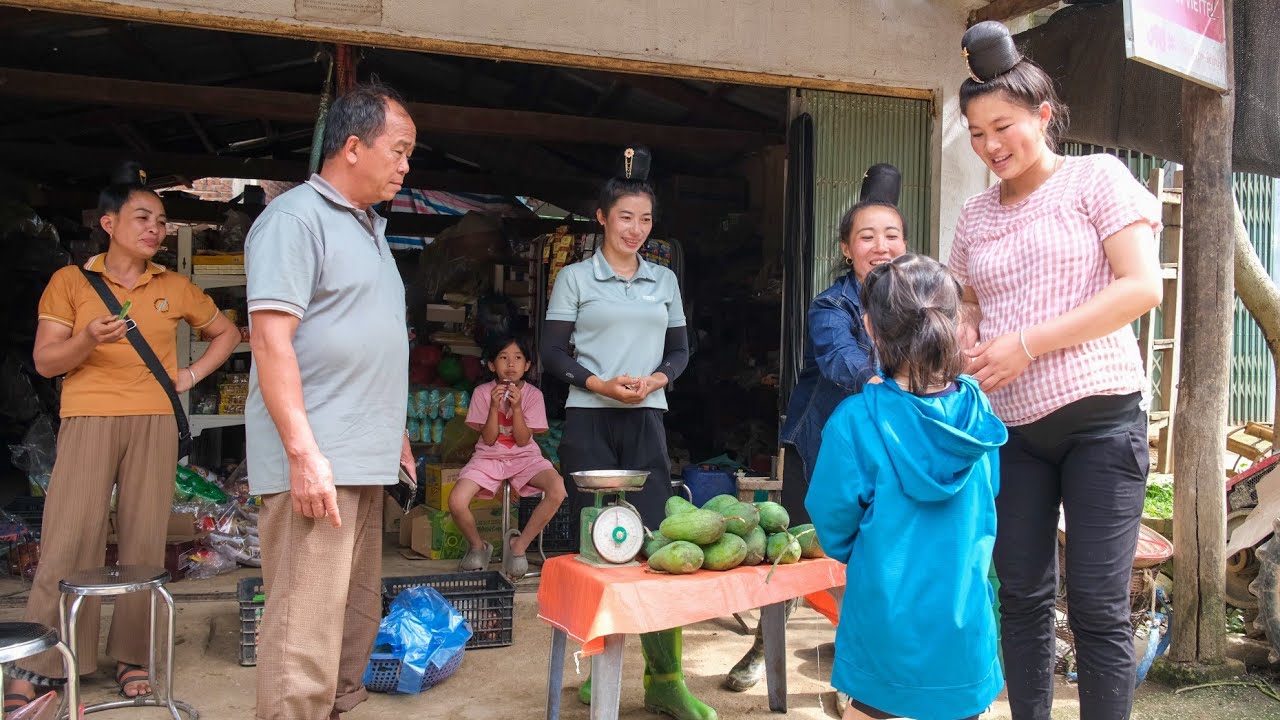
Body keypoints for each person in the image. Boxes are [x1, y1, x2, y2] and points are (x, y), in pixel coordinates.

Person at [950, 21, 1164, 720]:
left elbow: (1140, 289)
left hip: (1100, 420)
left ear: (1043, 115)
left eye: (1002, 126)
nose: (990, 147)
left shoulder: (1096, 178)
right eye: (977, 134)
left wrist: (1029, 345)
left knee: (1100, 606)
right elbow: (969, 302)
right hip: (1012, 430)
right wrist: (971, 334)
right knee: (1021, 596)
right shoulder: (974, 214)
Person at [6, 162, 239, 711]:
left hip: (154, 419)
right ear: (108, 223)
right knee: (70, 539)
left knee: (142, 542)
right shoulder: (70, 282)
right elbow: (44, 361)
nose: (154, 228)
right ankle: (46, 662)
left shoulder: (173, 285)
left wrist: (188, 377)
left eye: (160, 221)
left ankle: (133, 657)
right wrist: (87, 338)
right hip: (88, 418)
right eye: (142, 217)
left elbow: (225, 333)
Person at [244, 82, 417, 720]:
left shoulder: (371, 228)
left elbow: (368, 340)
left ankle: (336, 708)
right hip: (317, 457)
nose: (406, 165)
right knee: (304, 623)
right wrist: (303, 452)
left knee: (352, 611)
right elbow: (269, 340)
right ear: (351, 147)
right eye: (398, 151)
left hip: (364, 453)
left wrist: (393, 432)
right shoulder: (294, 220)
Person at [726, 164, 907, 692]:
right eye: (867, 236)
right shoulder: (832, 305)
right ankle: (765, 644)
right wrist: (899, 379)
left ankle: (866, 671)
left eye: (891, 234)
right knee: (800, 552)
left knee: (880, 560)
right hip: (825, 447)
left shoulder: (921, 299)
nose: (881, 245)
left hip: (894, 450)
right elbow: (844, 365)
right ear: (847, 248)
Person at [541, 146, 707, 720]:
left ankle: (665, 678)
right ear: (602, 218)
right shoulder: (574, 277)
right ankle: (597, 667)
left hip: (647, 417)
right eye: (625, 217)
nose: (635, 229)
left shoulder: (664, 280)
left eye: (645, 219)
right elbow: (551, 352)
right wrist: (600, 384)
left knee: (658, 541)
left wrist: (658, 378)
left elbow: (682, 349)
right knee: (598, 546)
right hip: (589, 417)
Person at [807, 253, 1006, 720]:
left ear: (871, 329)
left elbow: (834, 526)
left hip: (884, 624)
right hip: (964, 626)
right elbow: (989, 495)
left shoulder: (856, 421)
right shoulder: (979, 418)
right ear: (956, 326)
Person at [452, 335, 566, 579]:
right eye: (503, 358)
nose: (511, 365)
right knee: (456, 501)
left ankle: (519, 546)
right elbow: (490, 439)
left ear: (527, 365)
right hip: (488, 457)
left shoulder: (534, 395)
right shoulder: (483, 393)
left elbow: (524, 440)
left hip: (525, 457)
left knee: (558, 489)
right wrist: (494, 407)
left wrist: (516, 408)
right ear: (492, 365)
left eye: (517, 358)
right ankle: (477, 546)